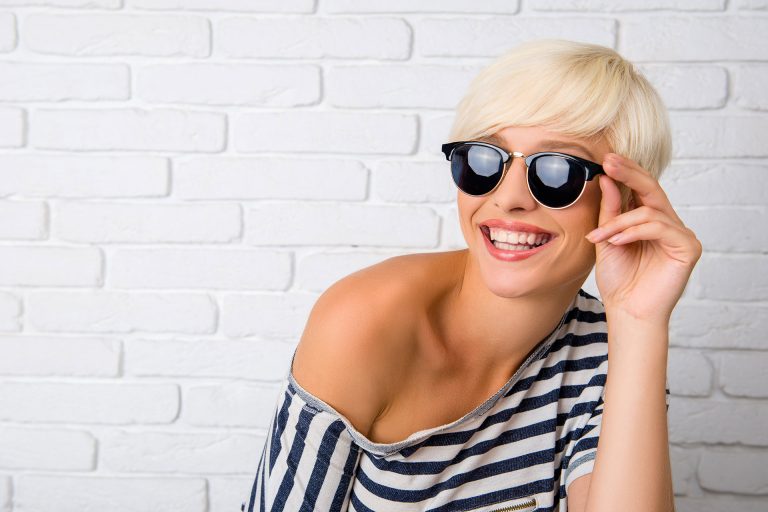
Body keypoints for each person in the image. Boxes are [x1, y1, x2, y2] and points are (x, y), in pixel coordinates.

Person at [241, 38, 702, 512]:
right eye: (484, 159)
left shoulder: (613, 350)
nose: (508, 198)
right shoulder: (366, 321)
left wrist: (640, 323)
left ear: (625, 201)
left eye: (557, 170)